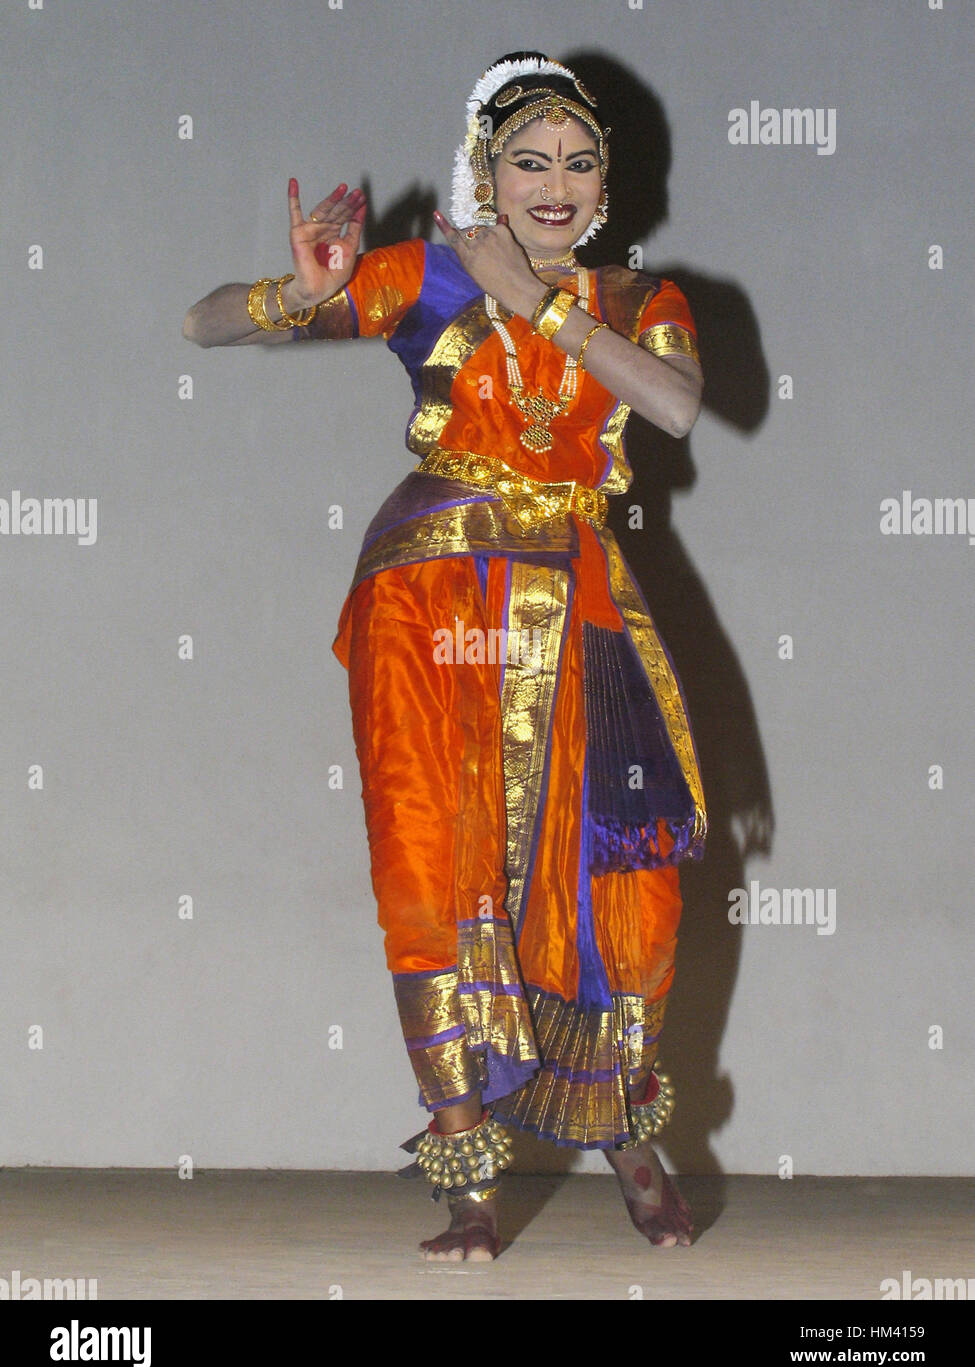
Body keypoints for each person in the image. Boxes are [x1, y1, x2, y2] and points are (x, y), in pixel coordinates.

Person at [183, 51, 707, 1263]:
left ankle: (628, 1125)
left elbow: (675, 409)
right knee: (432, 860)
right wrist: (298, 289)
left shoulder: (637, 300)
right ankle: (469, 1175)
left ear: (606, 184)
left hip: (578, 609)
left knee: (626, 875)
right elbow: (199, 322)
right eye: (530, 161)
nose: (556, 183)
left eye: (579, 162)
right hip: (424, 600)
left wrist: (542, 306)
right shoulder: (430, 277)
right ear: (489, 171)